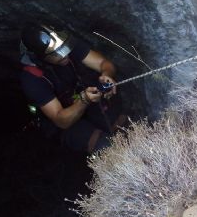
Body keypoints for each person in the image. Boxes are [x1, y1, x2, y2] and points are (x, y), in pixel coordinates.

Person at [19, 23, 126, 153]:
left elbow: (103, 63)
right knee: (102, 144)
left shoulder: (65, 45)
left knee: (122, 124)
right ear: (40, 56)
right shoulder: (32, 78)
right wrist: (84, 100)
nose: (64, 55)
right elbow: (61, 120)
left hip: (79, 97)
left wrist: (106, 75)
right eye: (56, 54)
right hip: (62, 120)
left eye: (64, 49)